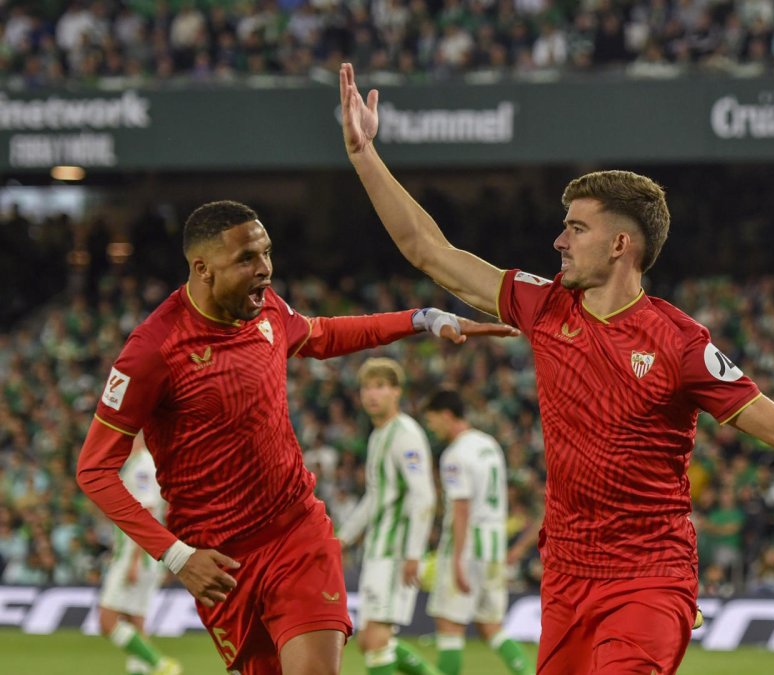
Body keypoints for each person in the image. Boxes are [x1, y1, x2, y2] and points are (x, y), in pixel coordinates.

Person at [339, 62, 774, 675]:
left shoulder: (679, 342)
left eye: (575, 228)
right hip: (565, 574)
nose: (559, 241)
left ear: (621, 245)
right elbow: (430, 251)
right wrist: (364, 154)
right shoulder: (544, 305)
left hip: (650, 577)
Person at [76, 200, 517, 675]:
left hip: (297, 532)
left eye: (266, 253)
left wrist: (422, 318)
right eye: (246, 259)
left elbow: (322, 334)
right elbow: (94, 469)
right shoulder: (152, 351)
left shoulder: (266, 309)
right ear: (202, 269)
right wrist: (177, 555)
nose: (264, 270)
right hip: (221, 563)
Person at [336, 358, 440, 675]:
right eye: (367, 387)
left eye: (380, 386)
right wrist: (342, 539)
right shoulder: (378, 435)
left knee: (377, 639)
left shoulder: (405, 434)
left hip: (396, 552)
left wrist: (413, 553)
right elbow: (374, 496)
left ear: (396, 392)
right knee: (369, 639)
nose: (372, 394)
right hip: (378, 550)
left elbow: (424, 495)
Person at [422, 388, 534, 675]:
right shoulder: (489, 444)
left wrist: (458, 559)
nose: (432, 427)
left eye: (433, 420)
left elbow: (461, 508)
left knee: (449, 623)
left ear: (447, 416)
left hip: (468, 545)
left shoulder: (455, 454)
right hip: (493, 545)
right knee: (490, 626)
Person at [96, 433, 182, 675]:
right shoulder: (137, 463)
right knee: (135, 623)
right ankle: (149, 668)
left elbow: (146, 511)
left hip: (137, 555)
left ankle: (161, 664)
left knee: (107, 620)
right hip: (146, 556)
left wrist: (133, 561)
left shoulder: (142, 465)